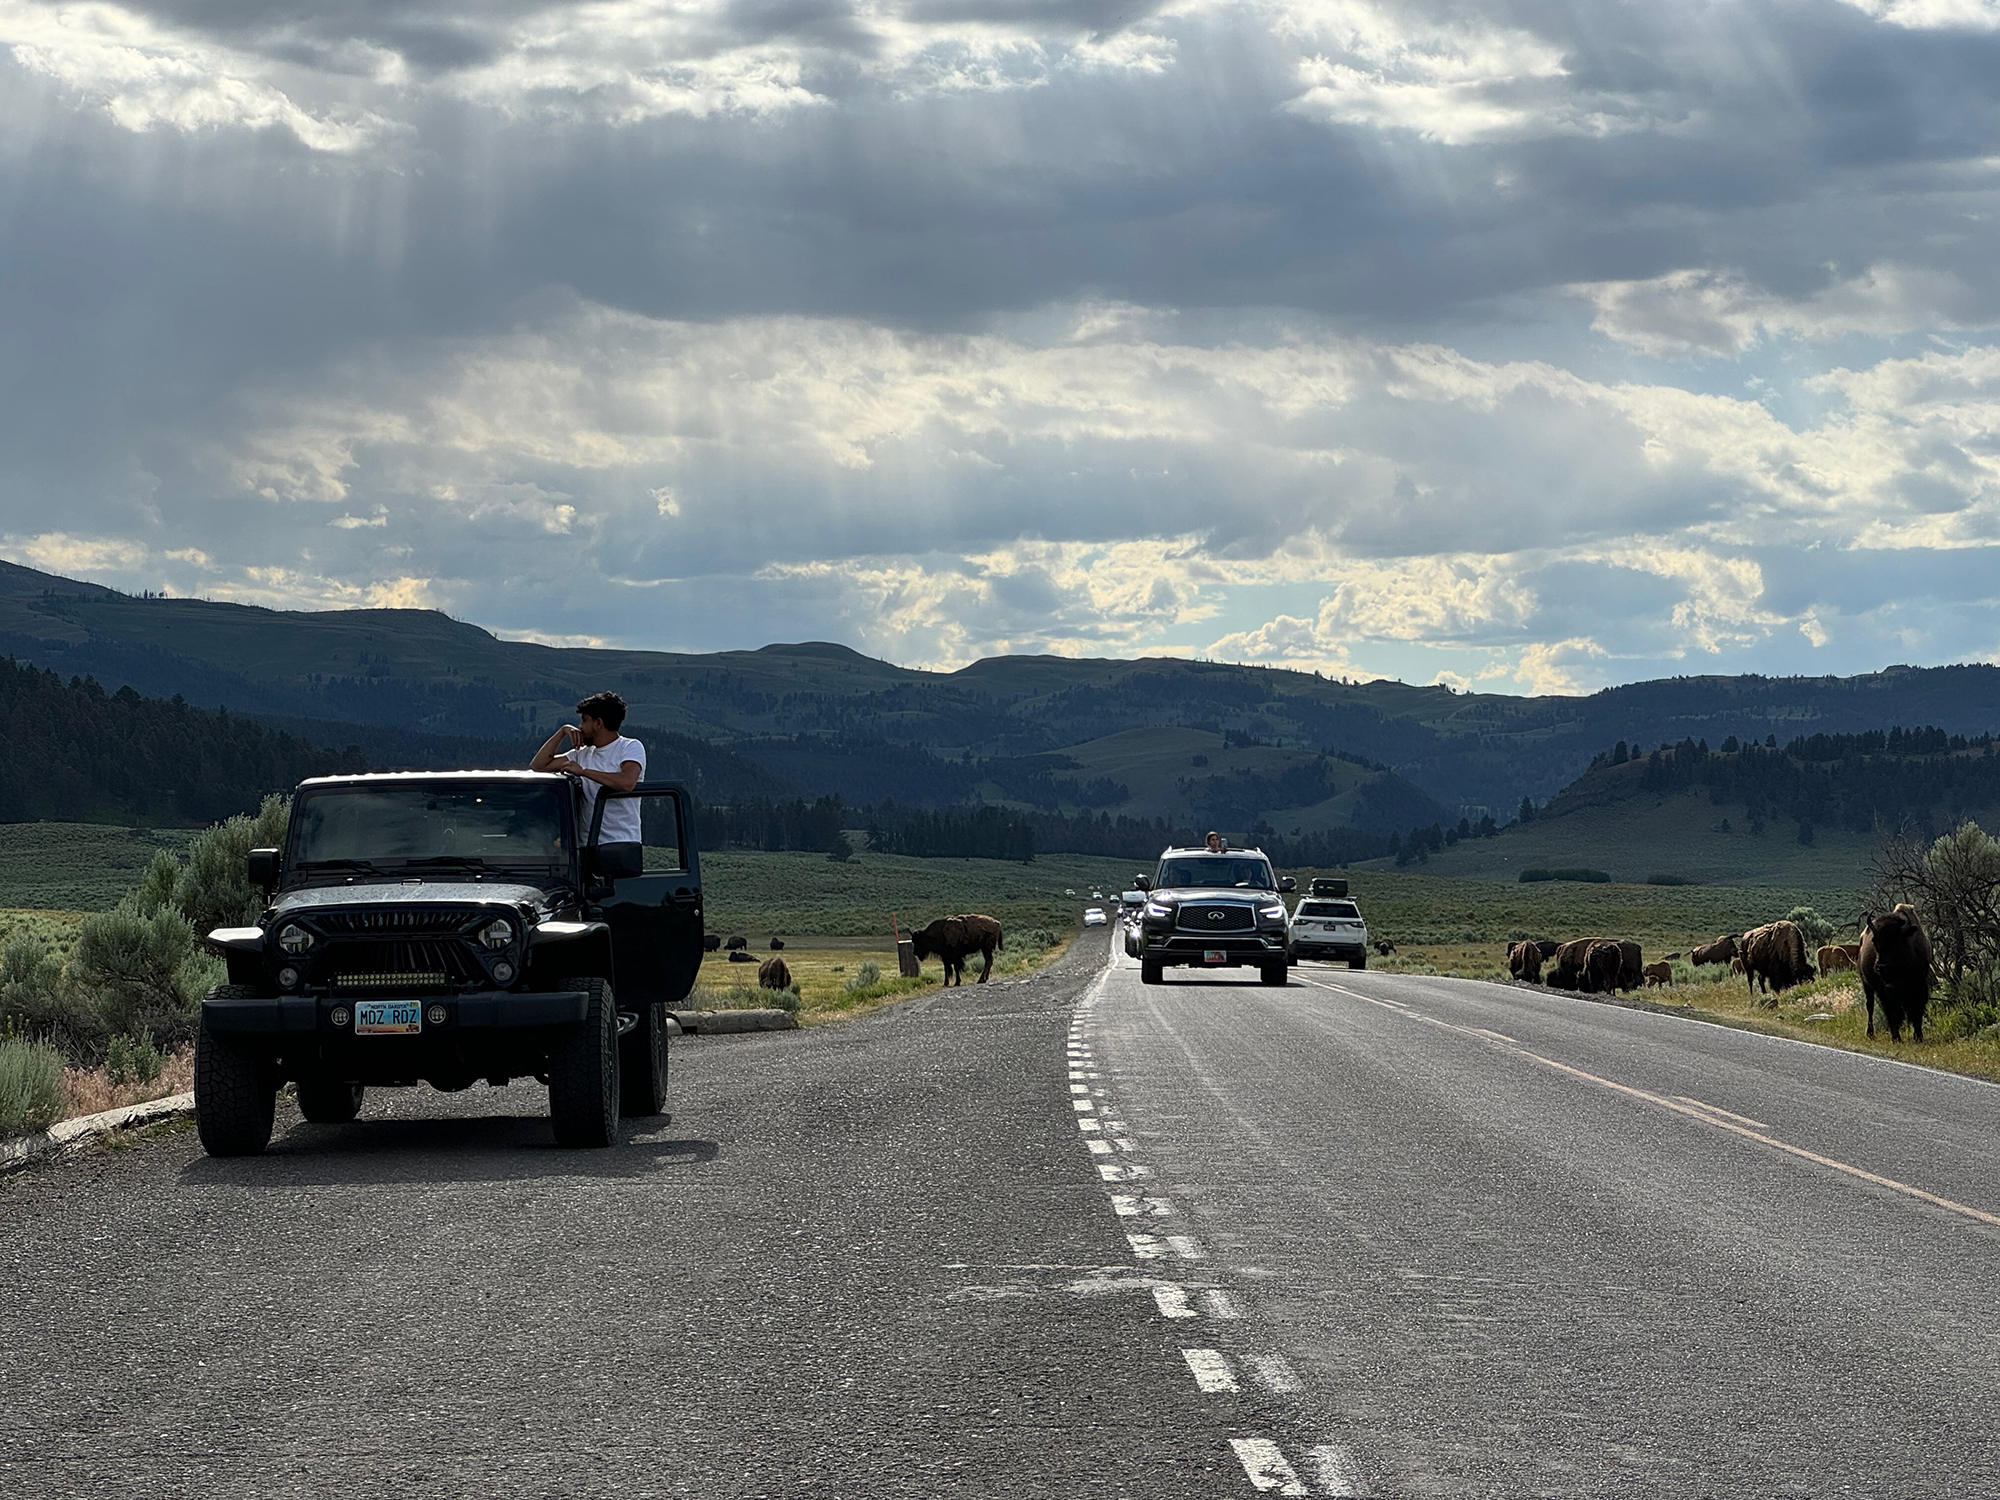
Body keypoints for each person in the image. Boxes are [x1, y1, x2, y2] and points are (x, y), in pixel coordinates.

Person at [531, 691, 646, 847]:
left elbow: (626, 782)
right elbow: (539, 765)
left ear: (598, 723)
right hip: (585, 845)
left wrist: (583, 772)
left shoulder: (629, 747)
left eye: (584, 721)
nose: (580, 727)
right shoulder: (581, 754)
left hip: (620, 843)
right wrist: (562, 731)